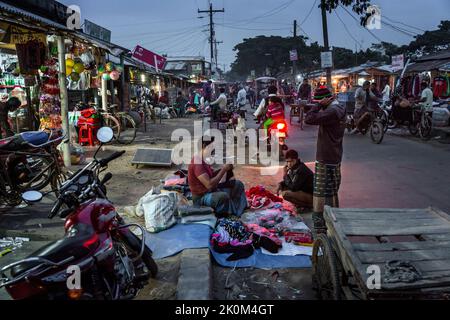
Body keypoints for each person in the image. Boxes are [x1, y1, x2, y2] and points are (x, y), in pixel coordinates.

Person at [305, 86, 346, 233]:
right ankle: (334, 223)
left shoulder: (331, 111)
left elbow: (309, 118)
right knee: (331, 192)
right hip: (334, 155)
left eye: (320, 101)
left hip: (326, 157)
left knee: (321, 193)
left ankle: (321, 227)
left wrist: (318, 105)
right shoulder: (339, 108)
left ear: (325, 100)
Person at [188, 136, 248, 217]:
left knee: (238, 184)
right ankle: (222, 216)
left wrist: (226, 169)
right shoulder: (197, 163)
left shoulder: (204, 160)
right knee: (222, 196)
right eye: (211, 147)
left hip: (211, 191)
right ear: (203, 146)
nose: (213, 150)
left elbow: (211, 176)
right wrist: (223, 170)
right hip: (201, 198)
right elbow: (209, 184)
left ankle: (237, 210)